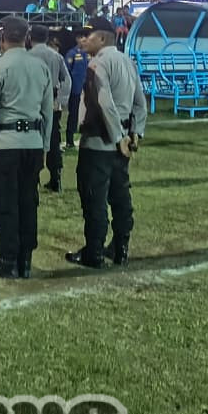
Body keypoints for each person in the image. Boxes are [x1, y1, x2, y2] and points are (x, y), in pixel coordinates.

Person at [0, 16, 54, 279]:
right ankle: (25, 260)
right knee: (28, 201)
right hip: (33, 143)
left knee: (5, 203)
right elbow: (47, 112)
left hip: (6, 144)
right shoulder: (40, 67)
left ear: (2, 39)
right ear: (27, 38)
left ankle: (8, 260)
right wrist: (45, 145)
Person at [67, 23, 146, 268]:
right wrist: (135, 133)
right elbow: (140, 101)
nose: (84, 40)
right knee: (120, 197)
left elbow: (104, 103)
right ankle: (120, 247)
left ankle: (94, 252)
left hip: (100, 141)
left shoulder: (97, 64)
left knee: (95, 199)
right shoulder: (127, 62)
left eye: (88, 35)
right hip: (122, 141)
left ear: (101, 38)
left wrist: (117, 137)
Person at [27, 25, 71, 191]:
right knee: (53, 140)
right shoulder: (56, 56)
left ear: (30, 38)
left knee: (32, 139)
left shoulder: (27, 56)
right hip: (52, 101)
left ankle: (33, 177)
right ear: (47, 39)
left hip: (32, 102)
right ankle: (55, 178)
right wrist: (60, 100)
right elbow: (67, 80)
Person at [63, 30, 90, 150]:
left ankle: (86, 138)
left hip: (88, 90)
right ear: (77, 39)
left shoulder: (89, 53)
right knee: (73, 114)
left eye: (85, 37)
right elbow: (66, 72)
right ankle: (70, 140)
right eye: (81, 37)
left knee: (88, 114)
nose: (84, 40)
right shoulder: (72, 53)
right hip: (75, 89)